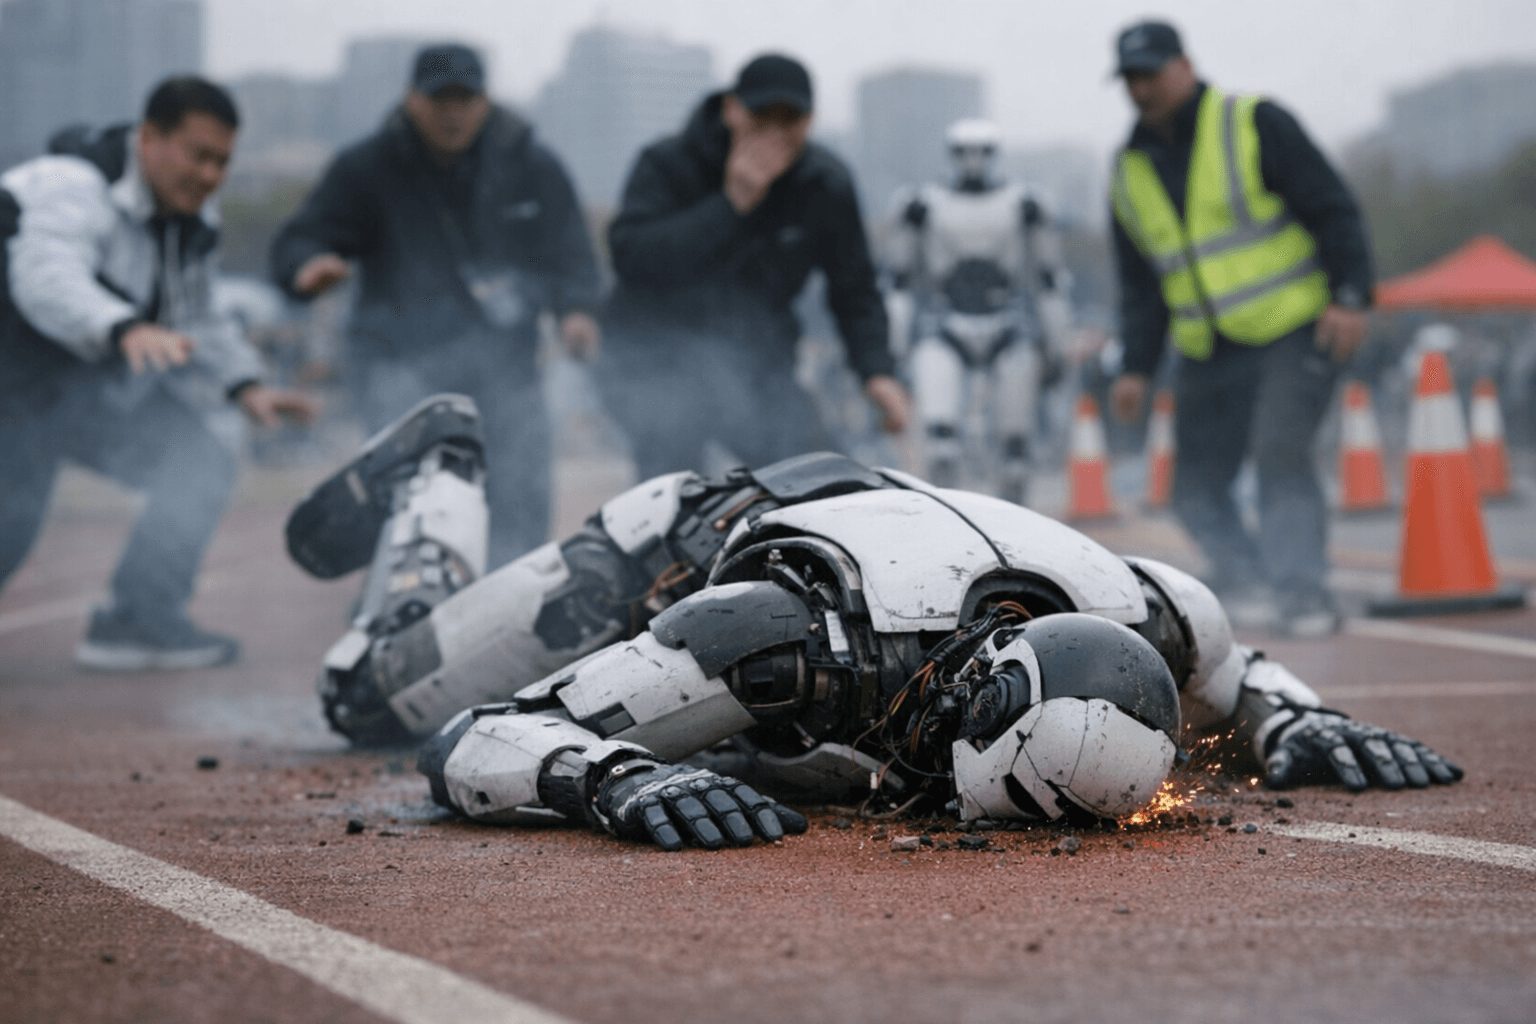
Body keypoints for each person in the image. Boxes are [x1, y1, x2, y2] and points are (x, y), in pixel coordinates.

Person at [283, 394, 1460, 851]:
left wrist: (1297, 722)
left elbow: (1250, 679)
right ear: (966, 709)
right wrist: (614, 778)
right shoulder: (780, 639)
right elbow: (477, 739)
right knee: (367, 698)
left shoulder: (1156, 614)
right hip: (674, 544)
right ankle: (438, 462)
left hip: (890, 517)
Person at [0, 77, 317, 672]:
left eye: (222, 161)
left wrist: (246, 385)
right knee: (8, 530)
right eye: (199, 156)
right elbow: (46, 279)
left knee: (196, 461)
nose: (210, 175)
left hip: (73, 393)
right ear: (149, 138)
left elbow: (200, 316)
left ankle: (136, 620)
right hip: (11, 389)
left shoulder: (191, 222)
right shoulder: (67, 185)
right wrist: (122, 327)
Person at [270, 43, 603, 566]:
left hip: (508, 372)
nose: (453, 114)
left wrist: (577, 312)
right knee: (412, 511)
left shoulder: (531, 165)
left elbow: (573, 255)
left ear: (485, 102)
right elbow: (300, 238)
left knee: (520, 508)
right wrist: (307, 266)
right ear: (411, 100)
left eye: (464, 100)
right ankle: (399, 602)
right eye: (438, 100)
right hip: (398, 369)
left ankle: (511, 601)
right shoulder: (366, 168)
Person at [1104, 21, 1374, 638]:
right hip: (1208, 346)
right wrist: (1136, 368)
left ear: (1185, 66)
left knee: (1280, 453)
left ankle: (1302, 591)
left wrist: (1351, 295)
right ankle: (1247, 578)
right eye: (1130, 78)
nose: (1141, 88)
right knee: (1193, 487)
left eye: (1150, 73)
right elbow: (1141, 284)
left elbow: (1333, 209)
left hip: (1292, 328)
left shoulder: (1253, 122)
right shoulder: (1127, 170)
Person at [600, 53, 910, 480]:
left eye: (790, 119)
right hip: (656, 361)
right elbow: (632, 256)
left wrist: (876, 371)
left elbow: (854, 288)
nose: (775, 132)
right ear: (732, 110)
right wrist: (731, 204)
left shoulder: (825, 183)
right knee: (678, 494)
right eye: (762, 116)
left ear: (810, 122)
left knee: (826, 482)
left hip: (757, 364)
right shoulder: (667, 163)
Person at [884, 118, 1075, 503]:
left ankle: (1013, 523)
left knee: (1015, 451)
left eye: (982, 151)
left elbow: (1049, 280)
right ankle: (948, 517)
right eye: (963, 151)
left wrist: (1058, 346)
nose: (972, 160)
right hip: (944, 324)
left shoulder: (1025, 203)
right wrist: (894, 346)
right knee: (940, 445)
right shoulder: (921, 204)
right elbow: (899, 281)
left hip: (1008, 324)